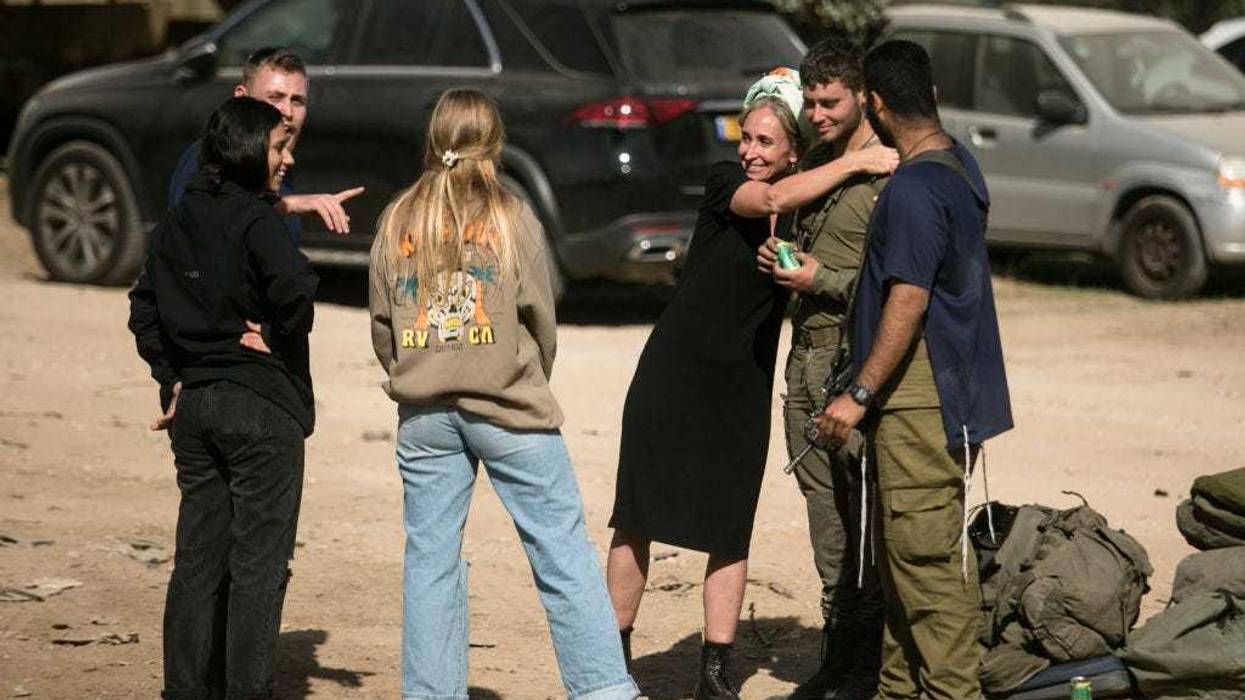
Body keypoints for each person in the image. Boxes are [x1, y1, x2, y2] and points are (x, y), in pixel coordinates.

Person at [606, 69, 892, 700]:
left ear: (794, 152)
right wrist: (858, 161)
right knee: (637, 518)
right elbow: (767, 201)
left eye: (766, 141)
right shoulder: (727, 182)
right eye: (748, 137)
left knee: (730, 527)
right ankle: (610, 661)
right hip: (674, 374)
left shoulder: (806, 211)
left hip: (743, 383)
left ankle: (715, 674)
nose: (750, 151)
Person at [367, 88, 639, 700]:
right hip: (510, 405)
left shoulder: (396, 219)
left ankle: (431, 694)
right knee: (561, 551)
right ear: (494, 144)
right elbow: (541, 317)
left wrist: (420, 369)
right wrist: (521, 373)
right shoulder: (513, 218)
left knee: (431, 560)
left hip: (425, 411)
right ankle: (603, 691)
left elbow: (383, 326)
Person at [815, 40, 1014, 700]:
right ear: (930, 95)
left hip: (917, 398)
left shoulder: (914, 188)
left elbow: (908, 297)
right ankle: (897, 690)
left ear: (873, 105)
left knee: (924, 565)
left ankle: (954, 692)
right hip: (948, 390)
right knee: (902, 560)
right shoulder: (958, 164)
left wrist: (859, 392)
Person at [129, 96, 319, 700]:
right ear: (247, 151)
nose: (286, 159)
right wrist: (277, 335)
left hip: (196, 410)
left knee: (197, 561)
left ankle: (184, 691)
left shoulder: (177, 220)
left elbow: (143, 309)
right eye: (277, 147)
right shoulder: (257, 219)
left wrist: (173, 378)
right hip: (261, 409)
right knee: (258, 567)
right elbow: (296, 291)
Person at [753, 37, 896, 700]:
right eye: (809, 102)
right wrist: (783, 257)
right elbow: (778, 204)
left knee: (866, 524)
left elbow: (899, 287)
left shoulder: (889, 173)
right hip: (803, 363)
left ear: (863, 96)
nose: (816, 114)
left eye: (829, 102)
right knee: (826, 524)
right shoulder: (818, 161)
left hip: (851, 362)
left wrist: (822, 279)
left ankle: (867, 667)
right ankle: (838, 663)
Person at [168, 46, 363, 238]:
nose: (287, 112)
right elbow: (200, 232)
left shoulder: (279, 165)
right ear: (242, 98)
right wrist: (290, 205)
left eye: (297, 101)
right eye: (275, 97)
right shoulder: (211, 156)